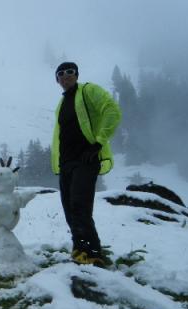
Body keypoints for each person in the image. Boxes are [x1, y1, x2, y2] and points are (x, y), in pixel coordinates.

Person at [51, 62, 121, 266]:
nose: (66, 76)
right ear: (57, 80)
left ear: (77, 74)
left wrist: (98, 143)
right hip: (66, 162)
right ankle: (79, 251)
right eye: (61, 74)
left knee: (80, 206)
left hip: (86, 159)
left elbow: (112, 111)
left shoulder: (88, 90)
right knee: (69, 208)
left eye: (70, 72)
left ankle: (92, 254)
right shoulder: (61, 104)